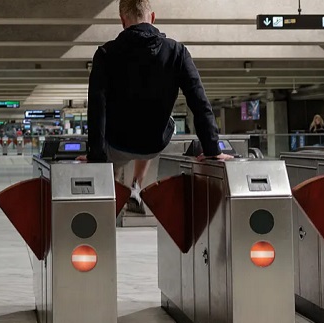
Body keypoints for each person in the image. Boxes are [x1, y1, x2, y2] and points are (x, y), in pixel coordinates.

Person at [82, 0, 233, 213]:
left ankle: (111, 190)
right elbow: (199, 102)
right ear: (152, 18)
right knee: (160, 118)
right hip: (155, 142)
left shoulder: (106, 53)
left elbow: (96, 108)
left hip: (117, 143)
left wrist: (94, 157)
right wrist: (212, 150)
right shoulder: (177, 51)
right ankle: (136, 185)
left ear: (122, 21)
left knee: (109, 158)